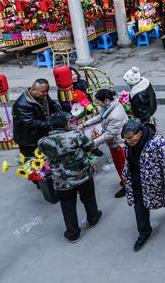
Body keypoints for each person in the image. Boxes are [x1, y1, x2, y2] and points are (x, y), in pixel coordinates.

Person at [38, 112, 101, 243]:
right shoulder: (76, 135)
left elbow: (43, 151)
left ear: (51, 127)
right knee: (89, 198)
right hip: (83, 175)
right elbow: (90, 146)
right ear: (67, 124)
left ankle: (73, 234)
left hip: (62, 180)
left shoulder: (44, 142)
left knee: (67, 206)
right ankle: (93, 219)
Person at [121, 119, 165, 252]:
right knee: (139, 207)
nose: (128, 141)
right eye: (126, 138)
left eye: (130, 138)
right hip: (136, 181)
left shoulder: (159, 142)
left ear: (140, 133)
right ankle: (144, 232)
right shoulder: (129, 144)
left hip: (155, 182)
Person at [83, 89, 129, 198]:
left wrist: (92, 143)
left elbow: (108, 135)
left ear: (106, 100)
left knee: (122, 166)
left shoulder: (115, 115)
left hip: (119, 144)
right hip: (114, 143)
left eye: (98, 102)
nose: (97, 104)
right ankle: (124, 181)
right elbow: (101, 117)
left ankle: (127, 186)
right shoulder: (109, 107)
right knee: (119, 166)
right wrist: (86, 124)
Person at [12, 79, 63, 157]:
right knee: (32, 160)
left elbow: (53, 106)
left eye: (47, 91)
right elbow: (31, 122)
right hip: (29, 140)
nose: (46, 93)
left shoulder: (44, 96)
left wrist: (61, 115)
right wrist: (52, 125)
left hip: (42, 134)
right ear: (33, 90)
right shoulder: (21, 104)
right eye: (43, 92)